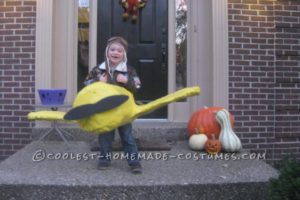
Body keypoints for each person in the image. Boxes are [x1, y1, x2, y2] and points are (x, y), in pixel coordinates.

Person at [84, 36, 142, 174]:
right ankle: (104, 159)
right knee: (105, 136)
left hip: (123, 111)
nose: (115, 53)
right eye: (112, 49)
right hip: (105, 111)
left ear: (124, 54)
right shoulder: (98, 70)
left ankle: (134, 162)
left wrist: (126, 82)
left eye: (119, 51)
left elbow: (138, 87)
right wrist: (97, 81)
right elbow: (86, 84)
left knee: (127, 137)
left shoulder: (129, 70)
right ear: (107, 51)